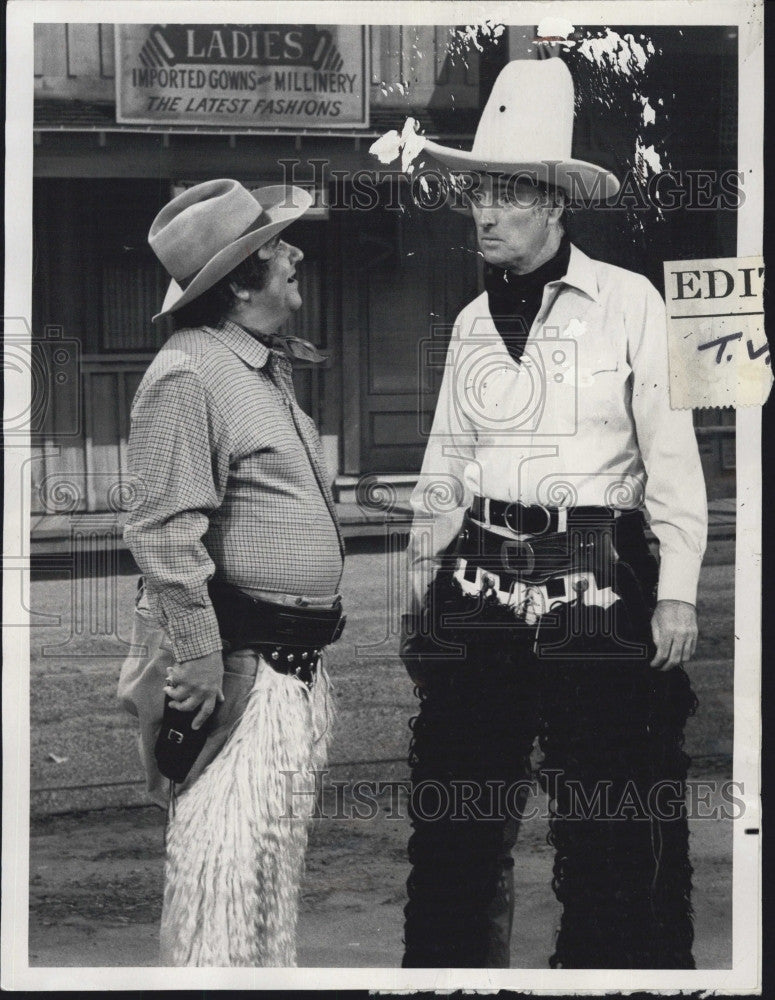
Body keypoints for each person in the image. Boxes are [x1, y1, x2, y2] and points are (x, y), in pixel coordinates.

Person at [398, 59, 707, 968]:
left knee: (607, 811)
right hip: (479, 575)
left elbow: (672, 458)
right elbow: (444, 464)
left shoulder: (630, 305)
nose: (484, 215)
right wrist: (422, 586)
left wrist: (678, 591)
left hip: (598, 572)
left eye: (506, 198)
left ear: (556, 205)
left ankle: (613, 977)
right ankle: (447, 979)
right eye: (475, 198)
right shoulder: (465, 323)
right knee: (456, 807)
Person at [119, 178, 345, 966]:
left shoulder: (250, 367)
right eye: (277, 246)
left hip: (284, 674)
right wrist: (202, 658)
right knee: (220, 880)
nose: (296, 253)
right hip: (241, 672)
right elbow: (161, 529)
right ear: (242, 280)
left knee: (261, 885)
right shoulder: (191, 373)